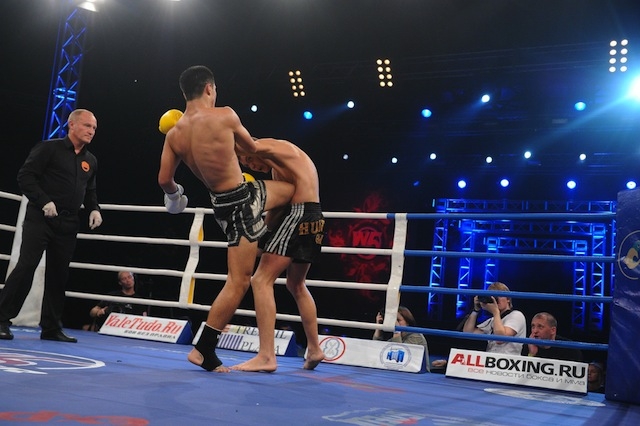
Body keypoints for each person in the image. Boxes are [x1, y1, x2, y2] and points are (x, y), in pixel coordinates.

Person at [157, 65, 294, 372]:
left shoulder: (174, 135)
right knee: (239, 281)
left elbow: (164, 179)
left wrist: (176, 196)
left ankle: (267, 238)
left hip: (221, 204)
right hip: (242, 202)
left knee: (287, 192)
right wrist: (287, 151)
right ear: (209, 88)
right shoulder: (225, 115)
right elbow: (252, 148)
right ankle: (203, 348)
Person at [0, 109, 102, 343]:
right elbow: (25, 176)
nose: (91, 131)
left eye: (94, 128)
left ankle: (51, 327)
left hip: (69, 222)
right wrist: (43, 200)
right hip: (40, 218)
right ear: (72, 125)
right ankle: (1, 320)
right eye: (87, 126)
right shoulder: (49, 148)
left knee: (59, 275)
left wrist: (94, 208)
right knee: (26, 267)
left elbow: (90, 189)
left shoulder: (91, 160)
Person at [230, 138, 326, 372]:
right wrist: (259, 240)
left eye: (250, 160)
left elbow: (248, 145)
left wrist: (214, 141)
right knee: (296, 284)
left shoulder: (277, 147)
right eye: (248, 165)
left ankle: (266, 356)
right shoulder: (278, 168)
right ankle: (314, 349)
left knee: (260, 280)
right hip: (314, 217)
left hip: (299, 214)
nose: (253, 166)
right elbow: (277, 210)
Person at [462, 281, 526, 355]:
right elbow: (468, 332)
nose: (496, 300)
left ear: (508, 299)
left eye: (500, 295)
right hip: (491, 359)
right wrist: (476, 310)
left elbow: (500, 339)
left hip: (508, 360)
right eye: (493, 297)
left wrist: (495, 312)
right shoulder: (493, 320)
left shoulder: (516, 315)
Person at [373, 306, 430, 370]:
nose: (395, 323)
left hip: (417, 372)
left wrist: (397, 331)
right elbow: (376, 349)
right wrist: (379, 326)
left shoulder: (416, 336)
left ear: (407, 322)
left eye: (398, 320)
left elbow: (400, 358)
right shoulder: (395, 338)